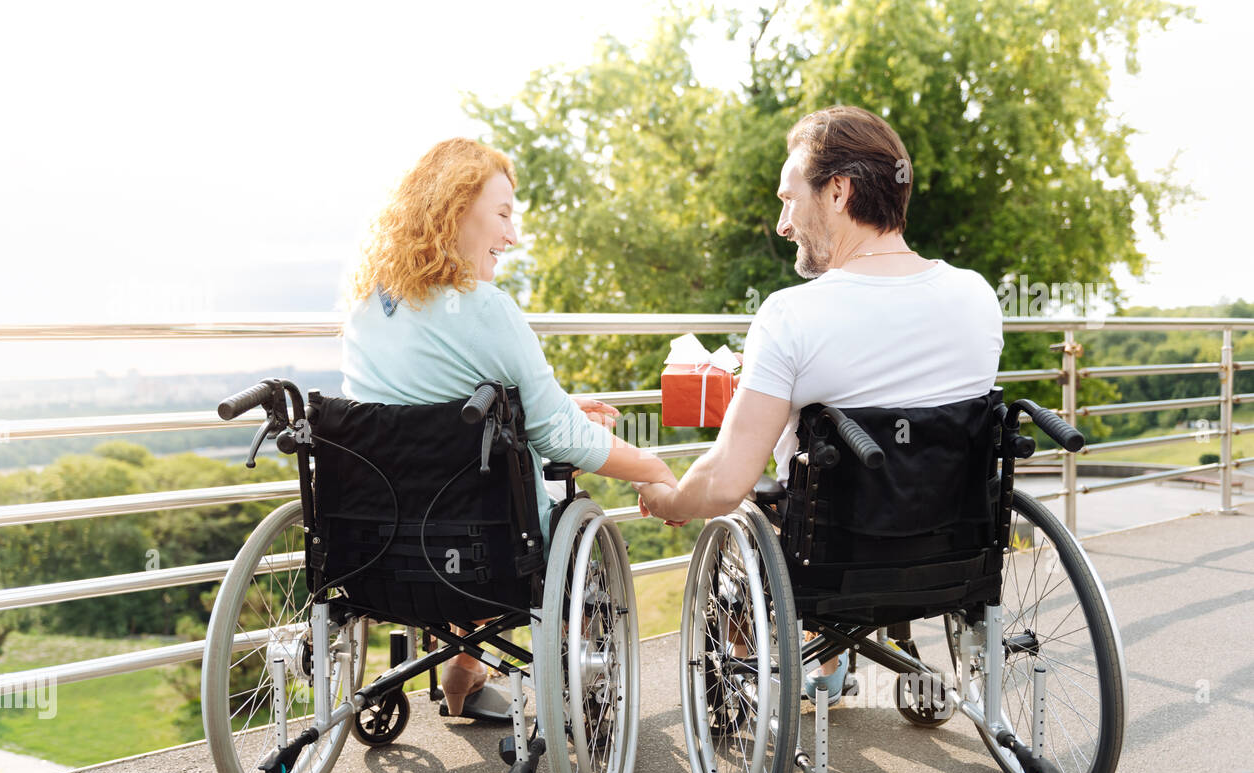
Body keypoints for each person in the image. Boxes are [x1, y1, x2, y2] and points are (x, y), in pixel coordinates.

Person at [636, 105, 1003, 703]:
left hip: (831, 560)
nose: (783, 223)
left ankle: (771, 671)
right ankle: (842, 661)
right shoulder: (978, 296)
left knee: (768, 502)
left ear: (838, 192)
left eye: (789, 199)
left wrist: (671, 497)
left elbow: (728, 480)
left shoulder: (793, 315)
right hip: (955, 553)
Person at [341, 138, 679, 719]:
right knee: (531, 511)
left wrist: (559, 408)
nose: (511, 236)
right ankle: (502, 674)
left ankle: (463, 673)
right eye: (502, 215)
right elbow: (561, 439)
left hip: (374, 544)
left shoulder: (367, 306)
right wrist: (653, 469)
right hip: (477, 548)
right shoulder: (487, 309)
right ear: (455, 210)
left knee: (465, 505)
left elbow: (425, 404)